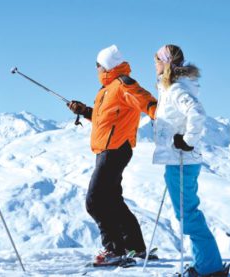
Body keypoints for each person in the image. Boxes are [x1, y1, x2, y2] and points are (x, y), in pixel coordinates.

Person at [67, 45, 158, 265]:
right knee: (112, 200)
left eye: (98, 65)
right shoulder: (106, 89)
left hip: (116, 149)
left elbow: (147, 101)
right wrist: (83, 110)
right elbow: (105, 119)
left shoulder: (123, 84)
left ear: (106, 65)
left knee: (95, 200)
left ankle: (113, 250)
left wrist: (165, 118)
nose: (96, 68)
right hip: (106, 149)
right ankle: (134, 247)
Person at [152, 44, 229, 276]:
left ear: (165, 62)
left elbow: (196, 112)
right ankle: (205, 265)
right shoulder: (170, 88)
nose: (154, 64)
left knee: (189, 216)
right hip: (178, 159)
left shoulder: (175, 89)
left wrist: (187, 140)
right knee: (187, 214)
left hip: (182, 160)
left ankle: (210, 268)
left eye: (156, 59)